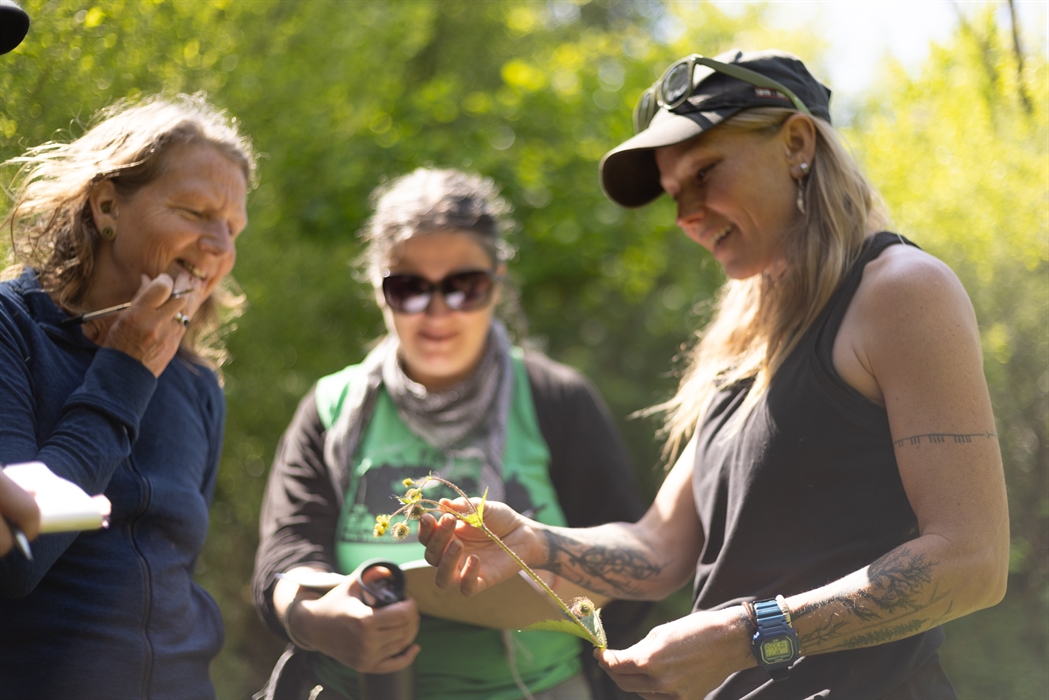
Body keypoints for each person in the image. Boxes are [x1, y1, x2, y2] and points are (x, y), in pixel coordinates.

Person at [419, 49, 1009, 699]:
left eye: (704, 174)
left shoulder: (900, 291)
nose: (685, 216)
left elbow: (970, 562)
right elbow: (660, 547)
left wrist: (741, 637)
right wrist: (535, 543)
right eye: (674, 194)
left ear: (795, 143)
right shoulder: (746, 339)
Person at [252, 167, 647, 700]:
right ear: (378, 287)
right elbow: (285, 556)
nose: (437, 311)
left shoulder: (558, 401)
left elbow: (635, 563)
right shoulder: (331, 407)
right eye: (410, 287)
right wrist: (318, 621)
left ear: (496, 282)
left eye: (464, 286)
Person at [0, 93, 255, 698]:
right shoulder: (11, 331)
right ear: (107, 204)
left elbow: (176, 577)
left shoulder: (196, 384)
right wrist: (124, 373)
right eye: (196, 211)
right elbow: (16, 558)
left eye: (233, 228)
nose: (219, 246)